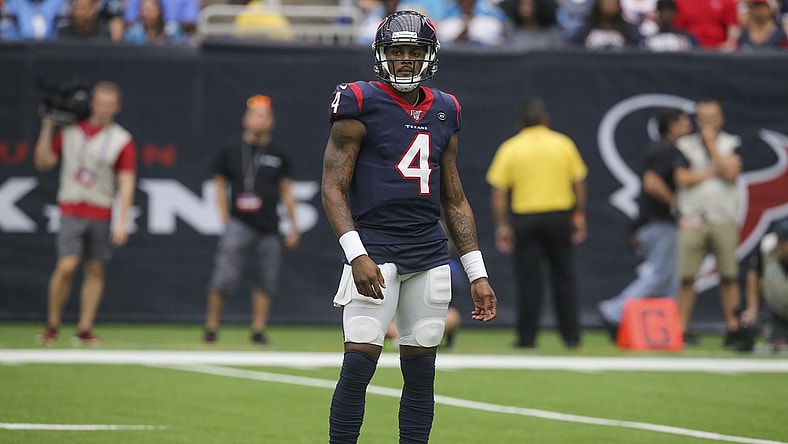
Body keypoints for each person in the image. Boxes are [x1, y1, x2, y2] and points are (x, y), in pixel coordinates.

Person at [321, 11, 497, 443]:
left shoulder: (445, 109)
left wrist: (477, 273)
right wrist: (357, 254)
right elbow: (332, 188)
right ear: (381, 55)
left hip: (429, 253)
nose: (404, 59)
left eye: (413, 52)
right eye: (396, 51)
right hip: (375, 248)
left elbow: (454, 199)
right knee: (358, 363)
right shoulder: (359, 101)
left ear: (429, 56)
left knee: (421, 374)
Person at [34, 81, 137, 346]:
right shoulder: (70, 131)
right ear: (92, 104)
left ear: (117, 107)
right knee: (66, 266)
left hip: (101, 209)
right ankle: (53, 324)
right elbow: (44, 162)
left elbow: (126, 181)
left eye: (108, 105)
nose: (103, 109)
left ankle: (84, 328)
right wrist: (48, 125)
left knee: (95, 269)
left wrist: (122, 220)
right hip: (71, 206)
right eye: (99, 104)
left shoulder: (121, 139)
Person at [486, 98, 587, 349]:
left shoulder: (511, 147)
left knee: (528, 281)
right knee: (564, 277)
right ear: (545, 120)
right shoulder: (563, 144)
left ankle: (527, 338)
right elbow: (578, 183)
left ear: (520, 124)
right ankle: (571, 337)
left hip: (526, 219)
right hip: (559, 216)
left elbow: (499, 192)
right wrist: (578, 215)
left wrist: (502, 225)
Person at [203, 94, 300, 345]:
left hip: (269, 225)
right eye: (256, 116)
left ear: (271, 121)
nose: (260, 120)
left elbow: (287, 191)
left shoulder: (279, 153)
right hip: (239, 223)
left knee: (266, 279)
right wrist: (225, 219)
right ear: (245, 119)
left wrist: (294, 226)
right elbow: (218, 186)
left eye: (265, 116)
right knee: (224, 276)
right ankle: (211, 328)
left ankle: (258, 330)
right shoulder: (230, 150)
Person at [597, 107, 692, 339]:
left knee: (668, 280)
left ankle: (665, 329)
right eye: (684, 121)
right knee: (660, 275)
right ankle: (614, 311)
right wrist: (675, 204)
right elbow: (651, 182)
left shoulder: (668, 149)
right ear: (672, 125)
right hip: (658, 222)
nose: (689, 125)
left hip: (658, 223)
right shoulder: (664, 149)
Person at [673, 97, 744, 347]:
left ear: (721, 119)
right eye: (704, 118)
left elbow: (732, 173)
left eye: (712, 118)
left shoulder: (732, 142)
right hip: (693, 217)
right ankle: (680, 329)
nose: (708, 123)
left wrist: (712, 147)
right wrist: (716, 169)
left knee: (729, 275)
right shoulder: (684, 145)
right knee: (686, 276)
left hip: (723, 217)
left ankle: (734, 329)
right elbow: (682, 179)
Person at [745, 216, 788, 352]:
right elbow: (753, 276)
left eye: (785, 242)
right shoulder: (767, 250)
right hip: (778, 310)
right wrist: (752, 310)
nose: (780, 246)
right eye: (779, 240)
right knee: (778, 344)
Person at [566, 0, 643, 50]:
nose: (609, 5)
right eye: (606, 2)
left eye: (613, 2)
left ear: (618, 5)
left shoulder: (629, 29)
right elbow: (572, 47)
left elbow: (639, 48)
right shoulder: (585, 29)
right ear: (599, 4)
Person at [674, 0, 740, 51]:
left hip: (719, 49)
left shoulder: (726, 2)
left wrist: (730, 43)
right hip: (690, 48)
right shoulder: (680, 2)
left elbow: (733, 27)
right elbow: (676, 29)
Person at [499, 0, 566, 50]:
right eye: (522, 5)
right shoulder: (511, 29)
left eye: (529, 5)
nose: (525, 9)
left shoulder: (552, 30)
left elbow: (558, 53)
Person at [123, 0, 187, 44]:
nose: (147, 14)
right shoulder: (133, 33)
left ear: (159, 10)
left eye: (151, 10)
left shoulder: (172, 31)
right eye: (144, 10)